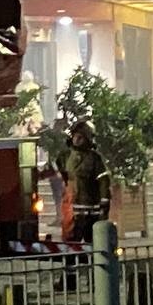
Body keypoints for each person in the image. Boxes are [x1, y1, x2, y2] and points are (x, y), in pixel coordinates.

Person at [59, 120, 110, 290]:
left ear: (88, 139)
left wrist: (104, 204)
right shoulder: (65, 157)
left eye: (81, 137)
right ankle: (69, 281)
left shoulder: (95, 159)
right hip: (73, 210)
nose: (77, 139)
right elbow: (65, 177)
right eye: (75, 136)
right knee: (70, 246)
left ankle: (96, 281)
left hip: (91, 211)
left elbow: (103, 181)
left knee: (93, 247)